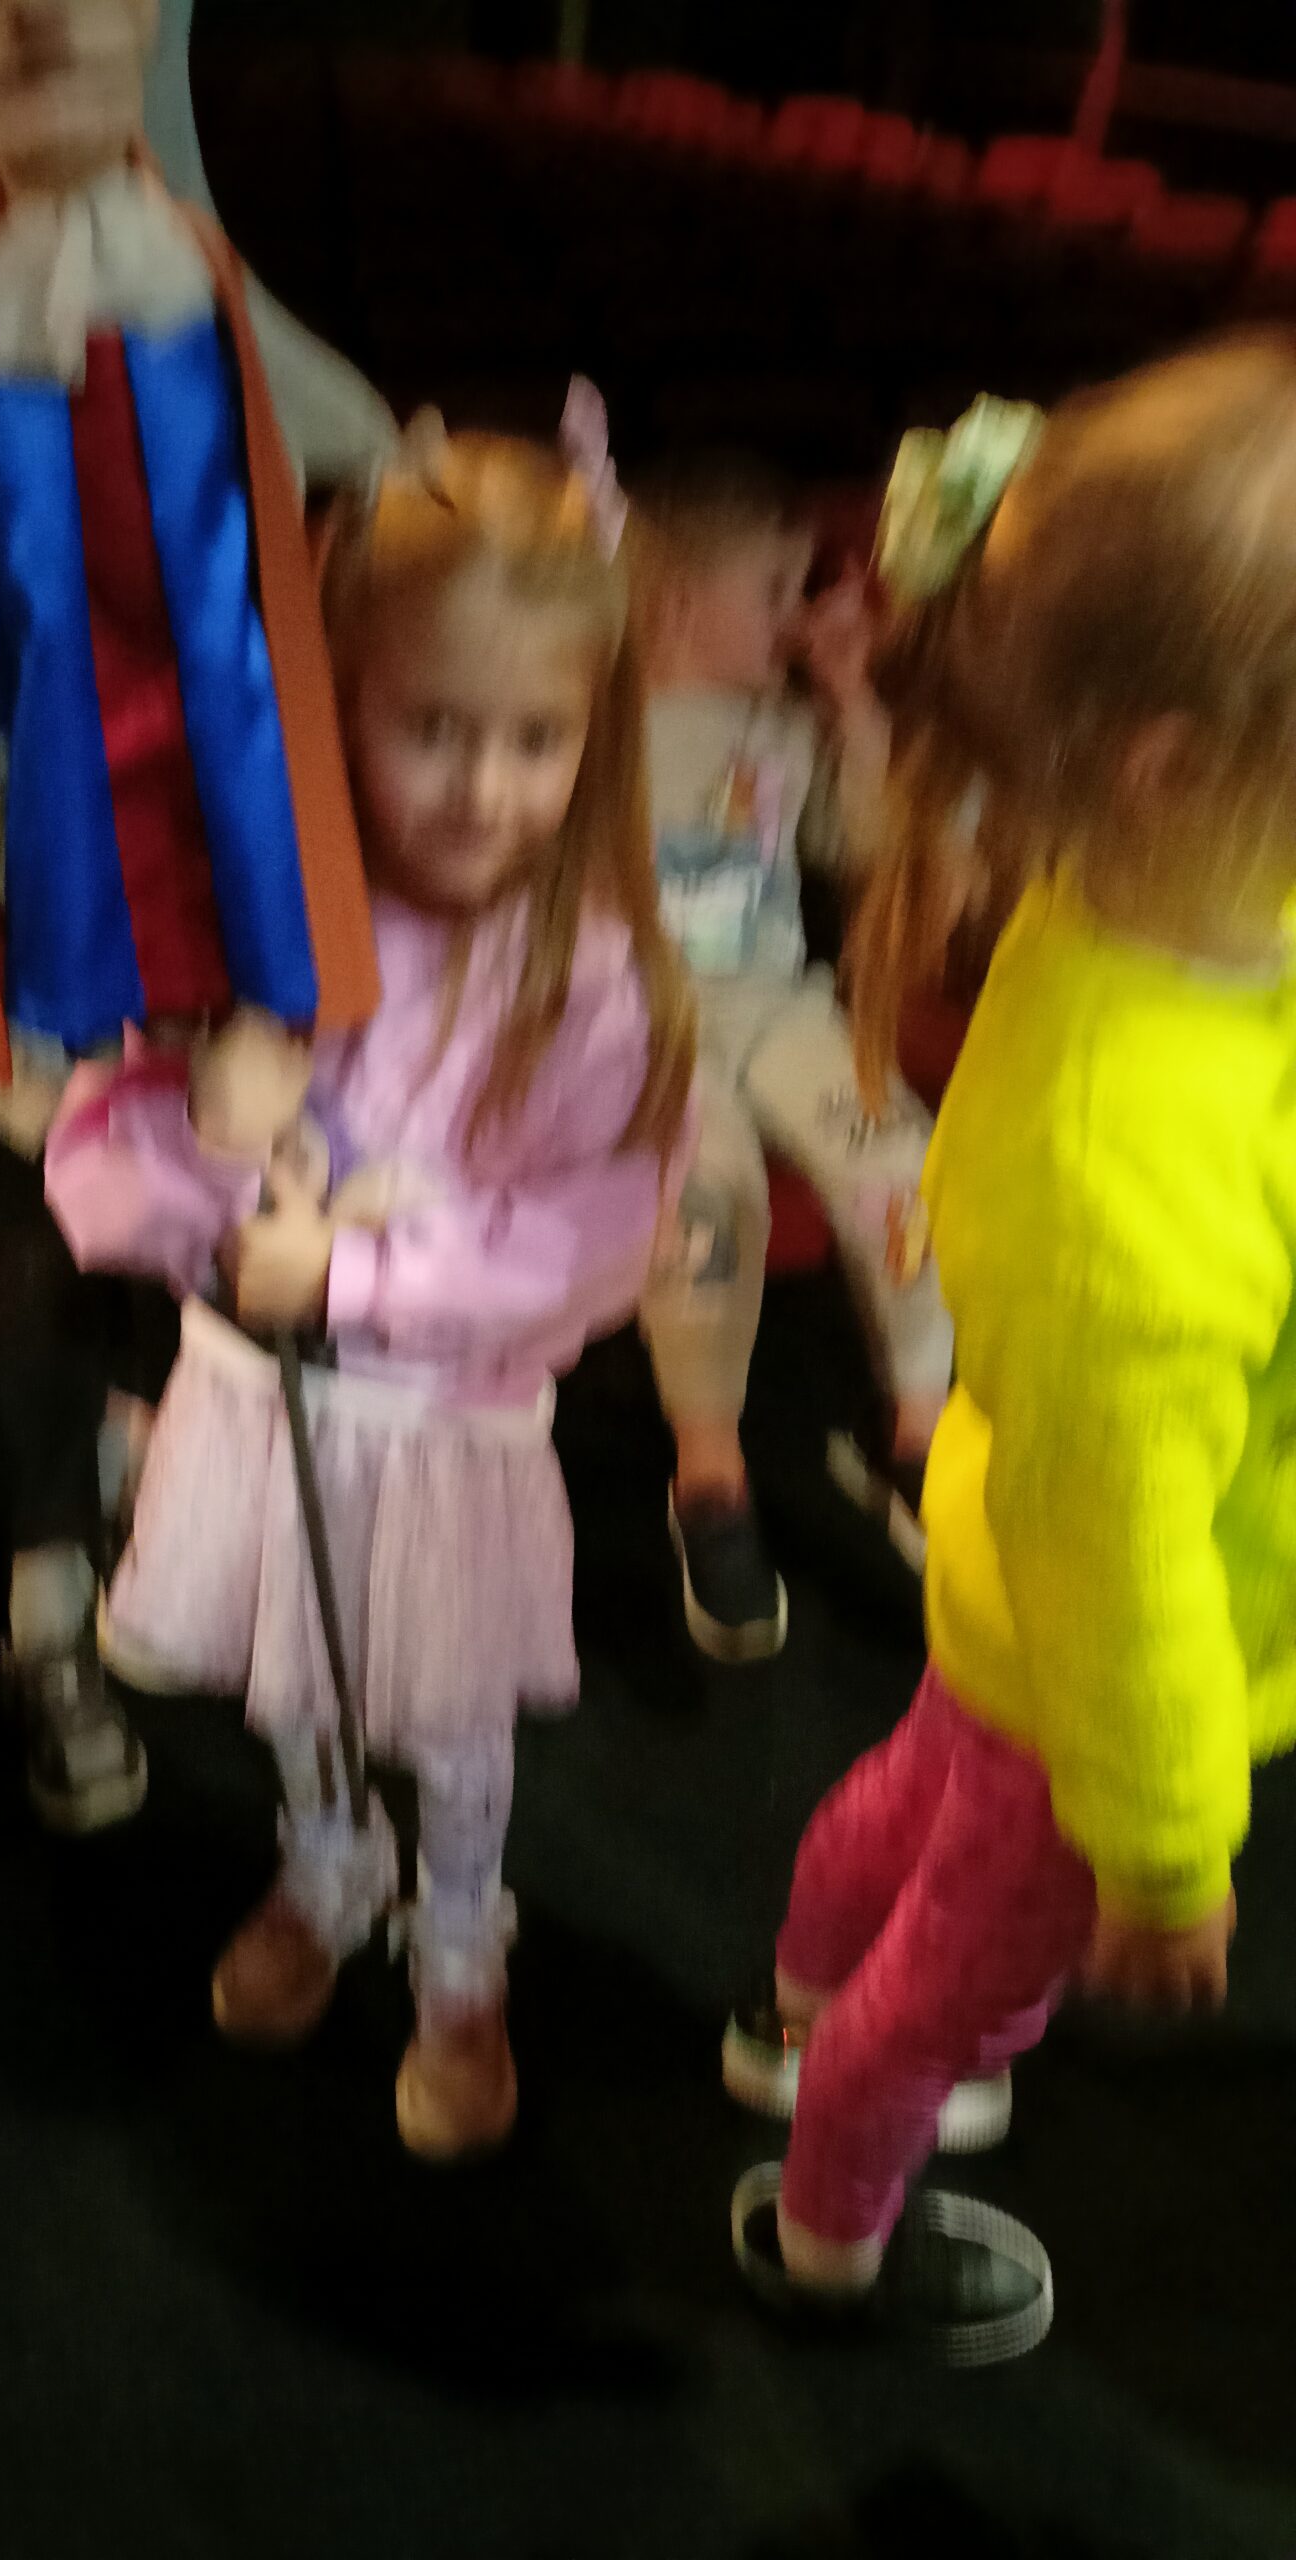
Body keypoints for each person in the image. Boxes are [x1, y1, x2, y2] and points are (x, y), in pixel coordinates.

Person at [726, 343, 1296, 2364]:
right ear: (1177, 764)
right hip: (1095, 1690)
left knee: (911, 1799)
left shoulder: (1157, 888)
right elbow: (1133, 1557)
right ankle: (833, 2225)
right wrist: (1166, 1853)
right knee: (963, 1980)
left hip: (1003, 1593)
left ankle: (790, 2009)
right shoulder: (1123, 1181)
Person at [46, 422, 697, 2160]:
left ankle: (462, 1941)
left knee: (454, 1718)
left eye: (536, 739)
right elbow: (94, 1174)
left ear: (596, 734)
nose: (484, 789)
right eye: (433, 730)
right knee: (301, 1680)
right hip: (260, 1413)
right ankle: (327, 1863)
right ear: (337, 707)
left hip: (443, 1437)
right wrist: (212, 1128)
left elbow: (591, 1241)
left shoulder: (591, 976)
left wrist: (353, 1266)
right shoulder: (253, 935)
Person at [0, 0, 393, 1836]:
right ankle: (46, 1597)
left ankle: (211, 1554)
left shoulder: (184, 268)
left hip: (201, 892)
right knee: (46, 1250)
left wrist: (394, 459)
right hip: (36, 903)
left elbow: (290, 408)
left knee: (225, 1221)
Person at [631, 460, 953, 1662]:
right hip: (647, 1028)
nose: (797, 612)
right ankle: (708, 1470)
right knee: (706, 1199)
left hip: (775, 1007)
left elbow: (869, 842)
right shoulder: (603, 723)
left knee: (903, 1158)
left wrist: (852, 699)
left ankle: (916, 1424)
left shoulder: (787, 727)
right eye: (772, 591)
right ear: (674, 604)